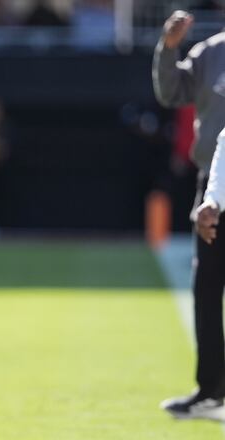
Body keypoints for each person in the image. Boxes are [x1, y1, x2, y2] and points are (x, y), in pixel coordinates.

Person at [153, 10, 225, 420]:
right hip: (214, 184)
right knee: (207, 287)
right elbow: (170, 92)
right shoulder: (210, 52)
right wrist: (168, 48)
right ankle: (211, 389)